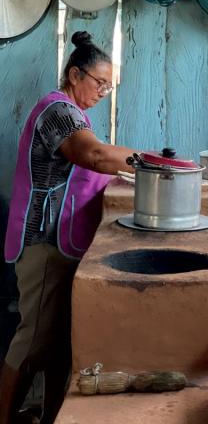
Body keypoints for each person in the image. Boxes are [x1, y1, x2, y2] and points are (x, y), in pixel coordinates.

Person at [0, 31, 141, 424]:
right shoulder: (57, 110)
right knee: (30, 344)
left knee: (58, 346)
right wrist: (151, 162)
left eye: (108, 86)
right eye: (99, 82)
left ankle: (47, 417)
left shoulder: (76, 115)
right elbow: (92, 155)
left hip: (59, 242)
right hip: (43, 241)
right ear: (74, 74)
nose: (103, 92)